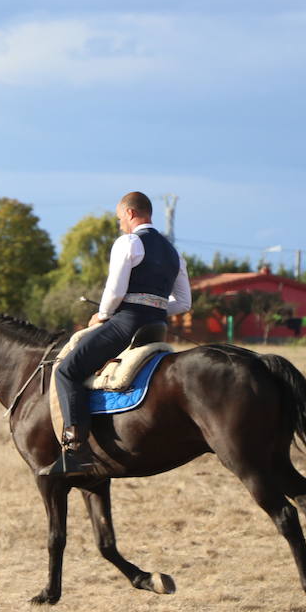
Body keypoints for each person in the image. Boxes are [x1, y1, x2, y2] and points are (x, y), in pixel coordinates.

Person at [40, 192, 192, 478]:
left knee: (67, 370)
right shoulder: (174, 253)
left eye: (120, 218)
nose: (120, 223)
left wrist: (103, 314)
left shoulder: (129, 242)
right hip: (156, 327)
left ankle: (75, 453)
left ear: (130, 213)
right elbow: (184, 303)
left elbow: (115, 291)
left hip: (126, 324)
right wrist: (155, 305)